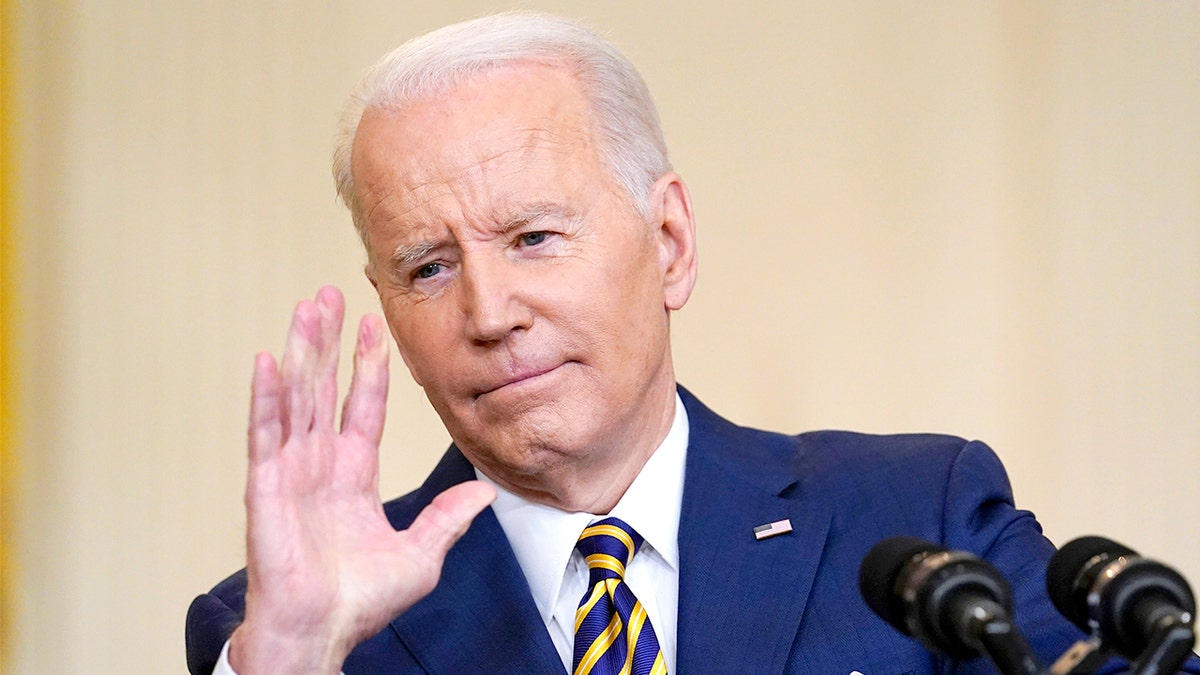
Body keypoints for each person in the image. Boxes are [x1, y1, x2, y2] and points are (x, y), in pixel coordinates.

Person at [186, 11, 1198, 675]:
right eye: (429, 268)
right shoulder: (288, 626)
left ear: (667, 242)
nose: (490, 313)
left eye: (534, 237)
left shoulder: (915, 517)